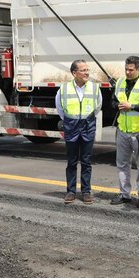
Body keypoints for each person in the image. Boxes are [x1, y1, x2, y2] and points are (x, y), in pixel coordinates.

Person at [55, 59, 102, 205]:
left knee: (86, 161)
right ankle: (71, 191)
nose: (87, 72)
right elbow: (60, 108)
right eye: (83, 70)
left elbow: (97, 107)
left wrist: (85, 119)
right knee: (72, 161)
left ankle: (86, 192)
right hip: (72, 127)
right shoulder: (63, 89)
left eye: (87, 70)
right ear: (74, 73)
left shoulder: (94, 88)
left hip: (87, 126)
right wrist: (72, 120)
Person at [110, 55, 139, 208]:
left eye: (131, 70)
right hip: (122, 131)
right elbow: (112, 101)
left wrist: (131, 107)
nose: (127, 72)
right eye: (126, 69)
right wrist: (117, 105)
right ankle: (124, 194)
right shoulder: (120, 82)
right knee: (122, 164)